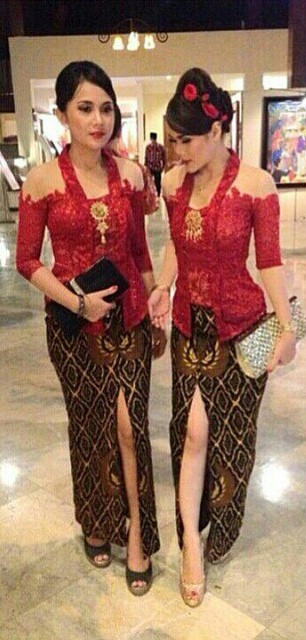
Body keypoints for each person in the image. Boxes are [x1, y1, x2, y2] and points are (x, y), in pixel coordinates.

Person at [147, 68, 297, 607]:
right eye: (172, 140)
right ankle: (190, 540)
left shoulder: (255, 185)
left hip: (244, 328)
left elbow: (270, 262)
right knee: (191, 432)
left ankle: (222, 523)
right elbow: (173, 243)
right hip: (191, 328)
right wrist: (164, 285)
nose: (177, 152)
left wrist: (286, 326)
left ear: (217, 131)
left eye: (185, 141)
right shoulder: (172, 184)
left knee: (234, 442)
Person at [15, 60, 160, 596]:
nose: (98, 120)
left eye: (105, 109)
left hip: (129, 318)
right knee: (89, 426)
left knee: (130, 426)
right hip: (72, 328)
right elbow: (27, 260)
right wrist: (76, 302)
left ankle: (139, 533)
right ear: (61, 115)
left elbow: (139, 249)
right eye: (84, 108)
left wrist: (156, 303)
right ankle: (96, 519)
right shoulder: (42, 182)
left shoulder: (129, 176)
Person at [144, 131, 166, 196]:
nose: (153, 141)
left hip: (157, 168)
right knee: (149, 182)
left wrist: (163, 167)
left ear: (155, 139)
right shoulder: (148, 147)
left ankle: (158, 195)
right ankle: (150, 195)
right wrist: (145, 167)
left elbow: (164, 158)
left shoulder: (161, 147)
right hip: (150, 167)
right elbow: (146, 157)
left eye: (154, 139)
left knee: (157, 183)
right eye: (152, 139)